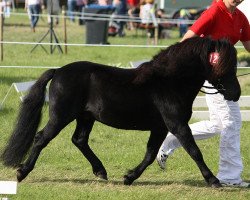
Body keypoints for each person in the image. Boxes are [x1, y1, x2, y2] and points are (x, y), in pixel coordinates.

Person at [156, 0, 250, 187]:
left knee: (218, 125)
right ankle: (229, 177)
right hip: (213, 76)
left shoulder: (240, 17)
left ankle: (171, 138)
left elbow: (249, 45)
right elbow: (187, 40)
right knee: (232, 122)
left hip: (226, 76)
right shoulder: (214, 11)